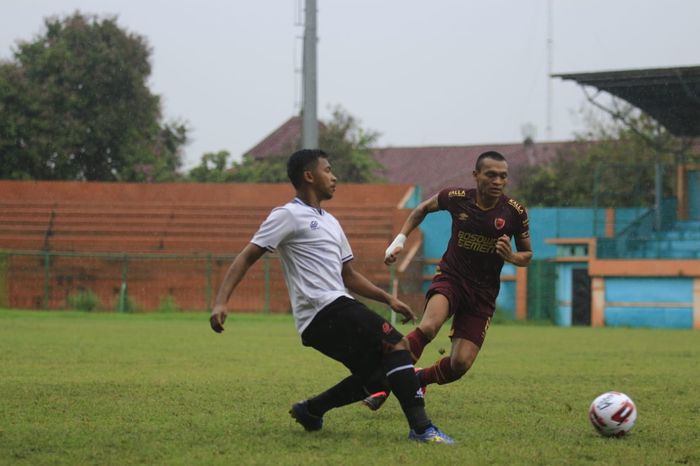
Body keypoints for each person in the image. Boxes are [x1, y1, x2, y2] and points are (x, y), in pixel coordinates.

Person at [209, 149, 454, 444]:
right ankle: (422, 429)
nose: (334, 176)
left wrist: (388, 299)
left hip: (330, 311)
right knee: (397, 345)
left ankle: (312, 410)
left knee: (378, 375)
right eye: (327, 170)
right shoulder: (288, 215)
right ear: (309, 176)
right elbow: (248, 256)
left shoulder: (331, 222)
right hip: (324, 309)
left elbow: (348, 276)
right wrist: (222, 300)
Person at [363, 150, 532, 410]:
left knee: (460, 365)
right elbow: (421, 209)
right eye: (491, 175)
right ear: (476, 176)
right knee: (429, 327)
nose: (497, 181)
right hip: (451, 278)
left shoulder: (514, 212)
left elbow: (527, 255)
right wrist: (400, 240)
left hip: (483, 295)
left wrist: (511, 256)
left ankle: (419, 378)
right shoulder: (456, 198)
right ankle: (383, 383)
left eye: (503, 177)